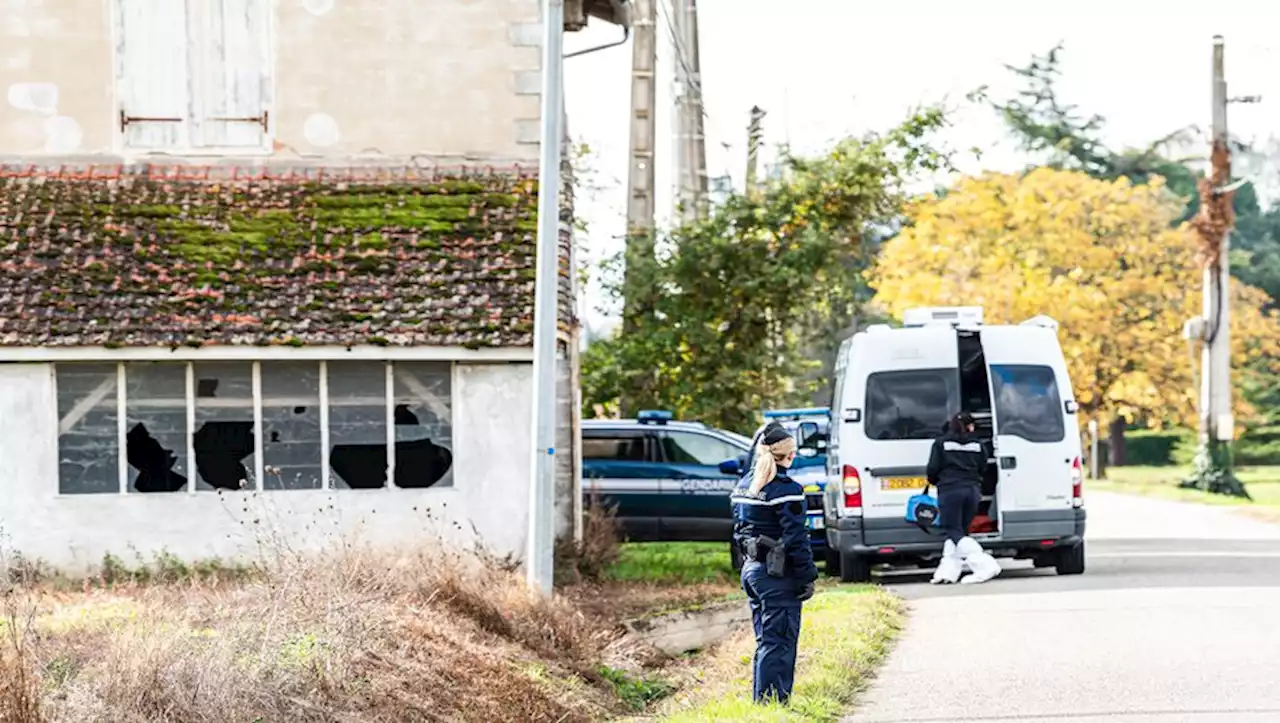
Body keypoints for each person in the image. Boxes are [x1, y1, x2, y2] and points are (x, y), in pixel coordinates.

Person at [730, 425, 818, 705]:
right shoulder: (787, 490)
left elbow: (738, 531)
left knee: (766, 641)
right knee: (779, 642)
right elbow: (795, 539)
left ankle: (763, 704)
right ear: (789, 455)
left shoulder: (744, 485)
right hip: (777, 576)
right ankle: (772, 706)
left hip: (752, 571)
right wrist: (807, 577)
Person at [926, 411, 1002, 585]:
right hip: (972, 491)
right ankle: (947, 572)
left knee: (952, 529)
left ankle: (985, 565)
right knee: (960, 531)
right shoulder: (977, 444)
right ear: (970, 426)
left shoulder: (941, 444)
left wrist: (935, 481)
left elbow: (932, 469)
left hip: (950, 491)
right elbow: (983, 467)